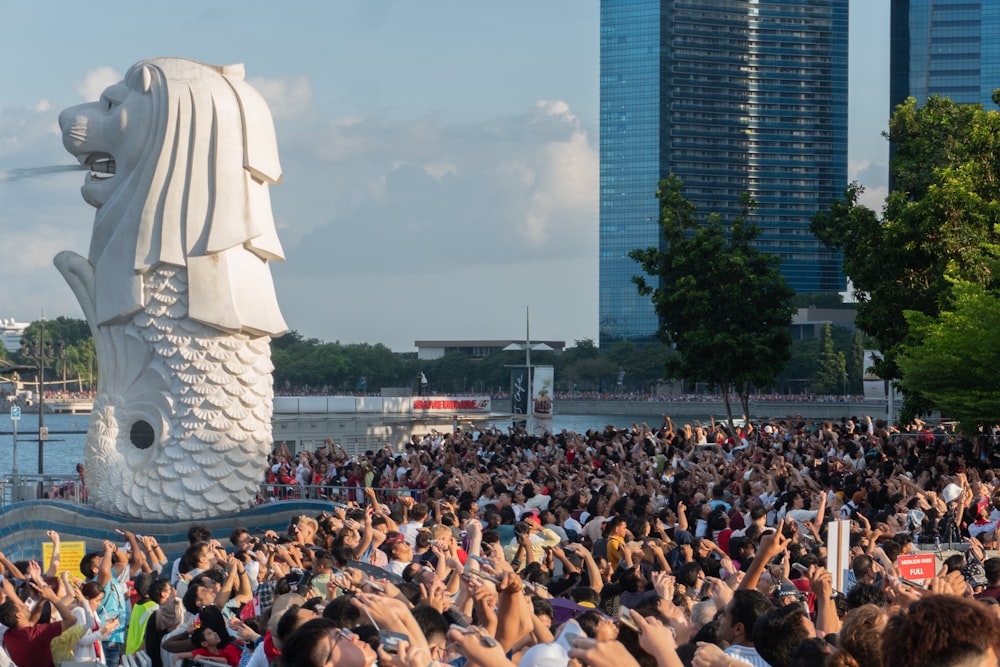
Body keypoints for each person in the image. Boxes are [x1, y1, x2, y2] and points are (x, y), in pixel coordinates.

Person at [0, 576, 77, 667]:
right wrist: (52, 597)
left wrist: (42, 600)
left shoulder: (8, 634)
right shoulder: (38, 633)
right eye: (22, 607)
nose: (26, 606)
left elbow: (31, 622)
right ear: (19, 615)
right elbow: (71, 620)